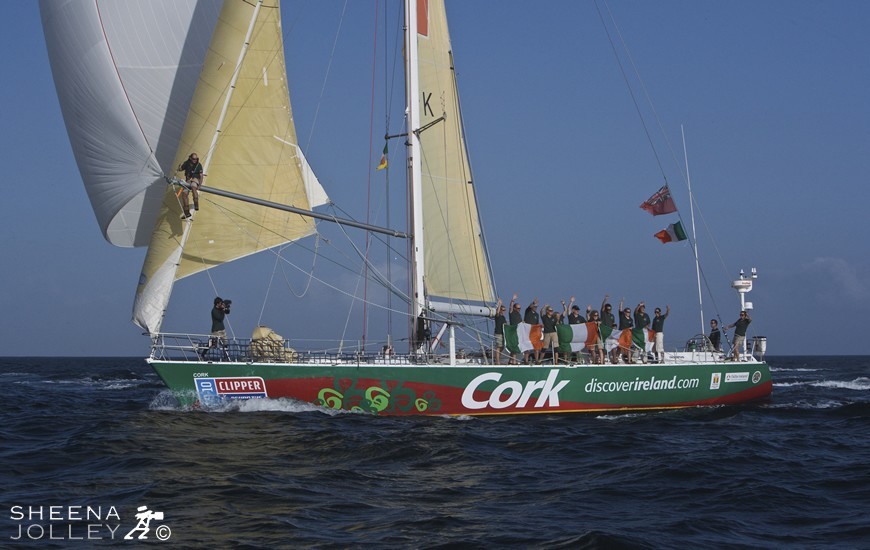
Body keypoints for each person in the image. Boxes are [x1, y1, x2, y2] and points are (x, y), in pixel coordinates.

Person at [178, 153, 203, 219]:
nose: (195, 160)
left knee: (193, 187)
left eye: (196, 159)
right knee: (184, 195)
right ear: (190, 158)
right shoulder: (187, 163)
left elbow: (201, 175)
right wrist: (179, 167)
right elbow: (181, 169)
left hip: (195, 179)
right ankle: (187, 213)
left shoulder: (198, 165)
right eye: (194, 159)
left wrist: (200, 185)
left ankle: (196, 204)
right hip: (188, 180)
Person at [524, 298, 541, 363]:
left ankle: (536, 360)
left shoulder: (537, 315)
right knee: (527, 346)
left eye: (536, 307)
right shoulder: (527, 311)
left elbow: (537, 323)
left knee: (536, 347)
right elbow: (529, 306)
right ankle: (526, 360)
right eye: (534, 306)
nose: (535, 308)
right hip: (527, 331)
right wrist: (533, 303)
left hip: (534, 332)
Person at [508, 295, 522, 364]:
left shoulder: (519, 315)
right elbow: (510, 307)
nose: (519, 310)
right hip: (513, 332)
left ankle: (510, 360)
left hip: (518, 332)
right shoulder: (512, 312)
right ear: (514, 308)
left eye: (520, 308)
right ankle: (514, 361)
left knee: (516, 346)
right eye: (517, 308)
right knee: (514, 346)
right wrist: (512, 300)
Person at [493, 300, 507, 365]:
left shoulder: (503, 317)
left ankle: (498, 359)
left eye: (504, 310)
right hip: (498, 333)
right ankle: (497, 361)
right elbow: (497, 312)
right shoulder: (497, 316)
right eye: (503, 310)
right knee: (499, 347)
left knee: (502, 347)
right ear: (500, 310)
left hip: (502, 334)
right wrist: (499, 304)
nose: (504, 311)